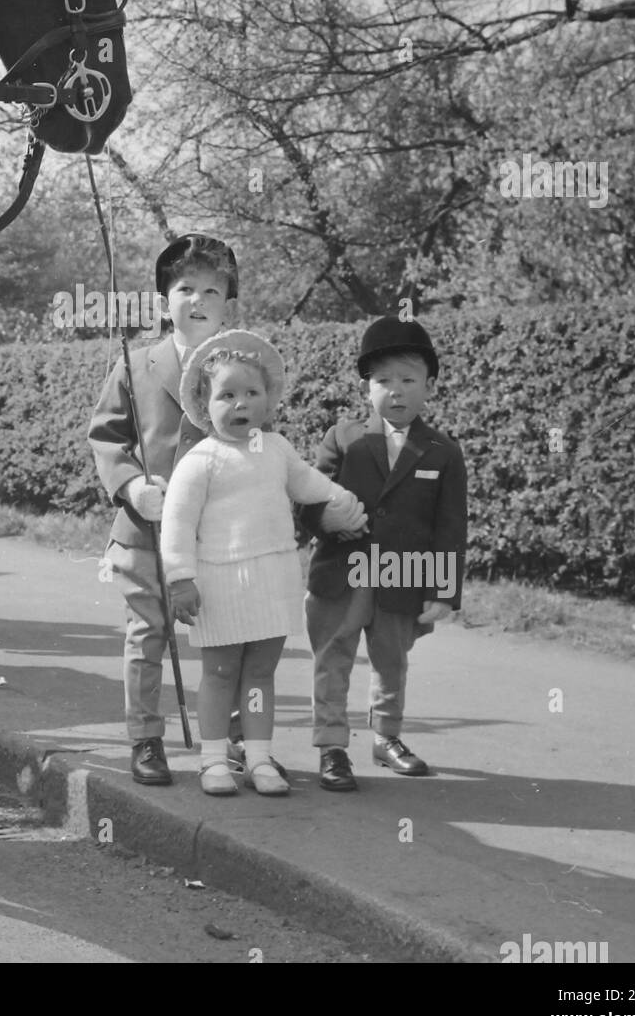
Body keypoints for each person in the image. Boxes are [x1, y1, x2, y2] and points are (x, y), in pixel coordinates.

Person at [160, 331, 368, 796]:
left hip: (272, 581)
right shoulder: (200, 461)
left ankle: (257, 758)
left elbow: (311, 484)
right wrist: (180, 579)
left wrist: (344, 501)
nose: (241, 405)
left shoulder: (277, 449)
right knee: (218, 673)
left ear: (268, 400)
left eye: (251, 393)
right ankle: (213, 759)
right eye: (227, 395)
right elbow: (176, 523)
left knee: (259, 675)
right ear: (204, 402)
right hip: (218, 584)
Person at [89, 233, 242, 786]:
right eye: (184, 289)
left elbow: (258, 443)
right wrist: (131, 486)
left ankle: (229, 740)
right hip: (143, 533)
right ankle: (146, 738)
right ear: (162, 302)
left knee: (226, 635)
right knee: (146, 635)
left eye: (211, 291)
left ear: (229, 305)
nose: (197, 300)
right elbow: (106, 437)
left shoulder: (242, 367)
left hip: (217, 532)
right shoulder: (135, 364)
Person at [300, 317, 467, 791]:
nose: (396, 391)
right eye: (383, 381)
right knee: (333, 656)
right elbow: (307, 498)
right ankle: (332, 746)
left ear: (430, 386)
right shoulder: (343, 438)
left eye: (408, 380)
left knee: (392, 660)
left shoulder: (443, 452)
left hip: (404, 577)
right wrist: (322, 521)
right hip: (341, 572)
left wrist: (444, 591)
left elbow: (451, 527)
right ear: (365, 387)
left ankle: (386, 737)